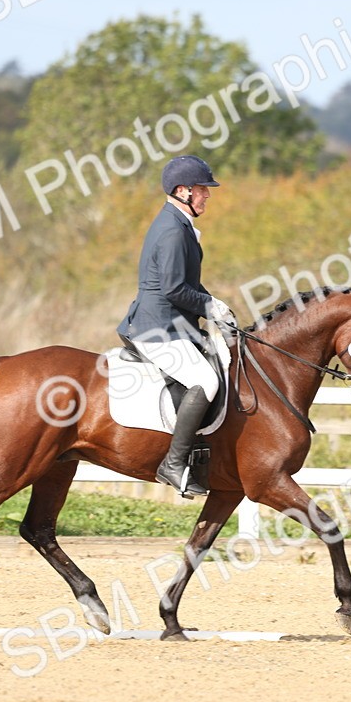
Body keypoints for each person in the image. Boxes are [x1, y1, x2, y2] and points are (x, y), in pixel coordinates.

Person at [116, 154, 237, 497]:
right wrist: (209, 305)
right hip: (158, 329)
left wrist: (214, 308)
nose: (208, 195)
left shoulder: (178, 224)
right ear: (183, 191)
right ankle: (173, 462)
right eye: (203, 189)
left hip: (174, 324)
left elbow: (186, 285)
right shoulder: (172, 231)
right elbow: (173, 289)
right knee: (206, 380)